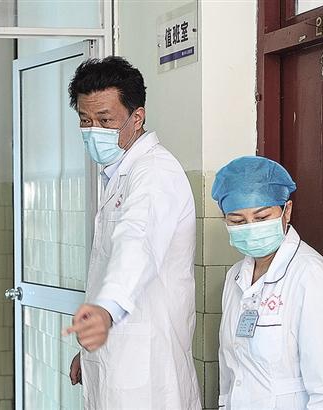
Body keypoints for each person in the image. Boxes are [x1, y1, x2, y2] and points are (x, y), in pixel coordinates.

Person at [62, 56, 201, 409]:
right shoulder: (119, 173)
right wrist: (88, 355)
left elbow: (136, 245)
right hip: (116, 356)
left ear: (136, 118)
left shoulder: (154, 173)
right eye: (85, 120)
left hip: (147, 367)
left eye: (105, 120)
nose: (93, 130)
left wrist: (105, 312)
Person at [212, 156, 323, 409]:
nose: (251, 228)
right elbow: (231, 370)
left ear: (286, 211)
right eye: (238, 221)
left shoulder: (309, 276)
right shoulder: (235, 277)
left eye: (262, 217)